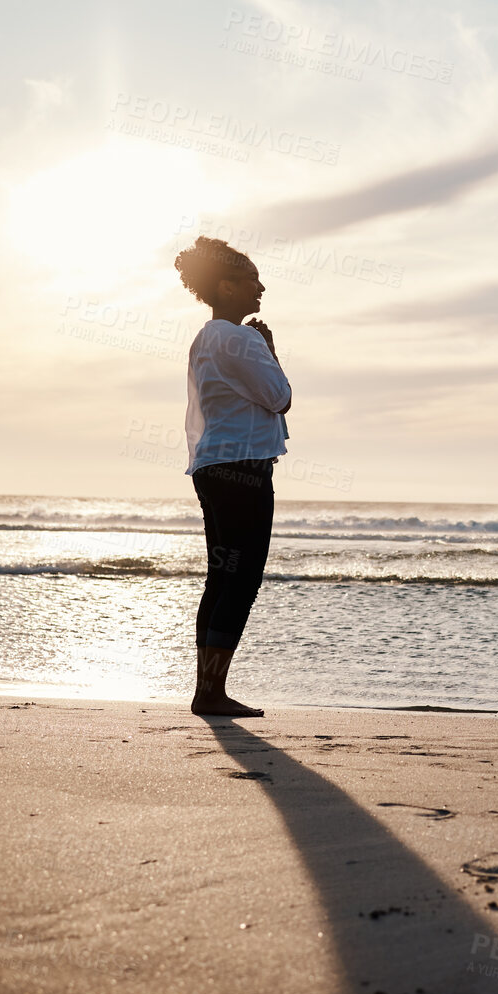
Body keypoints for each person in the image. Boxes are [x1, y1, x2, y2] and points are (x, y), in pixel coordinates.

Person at [173, 236, 292, 717]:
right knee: (240, 579)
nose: (260, 287)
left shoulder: (206, 338)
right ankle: (212, 693)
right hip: (243, 468)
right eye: (250, 280)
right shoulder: (241, 338)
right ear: (225, 285)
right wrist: (270, 347)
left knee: (221, 578)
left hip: (213, 464)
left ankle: (208, 690)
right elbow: (279, 396)